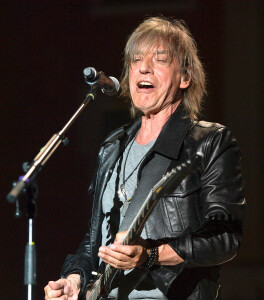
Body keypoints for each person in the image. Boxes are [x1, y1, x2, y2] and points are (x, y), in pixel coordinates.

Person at [44, 16, 245, 300]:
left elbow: (225, 238)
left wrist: (150, 255)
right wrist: (74, 279)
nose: (144, 68)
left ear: (185, 77)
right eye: (135, 60)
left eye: (160, 60)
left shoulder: (209, 142)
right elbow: (94, 240)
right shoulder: (113, 145)